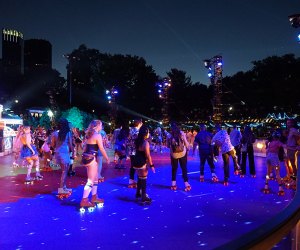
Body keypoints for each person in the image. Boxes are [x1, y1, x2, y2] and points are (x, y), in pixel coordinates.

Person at [80, 120, 110, 208]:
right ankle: (84, 200)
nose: (101, 127)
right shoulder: (97, 135)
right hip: (91, 159)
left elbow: (84, 147)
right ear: (97, 126)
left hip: (86, 157)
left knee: (95, 178)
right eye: (101, 125)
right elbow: (101, 148)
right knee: (90, 181)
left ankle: (94, 197)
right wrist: (107, 158)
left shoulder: (88, 134)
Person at [131, 125, 155, 203]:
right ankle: (143, 197)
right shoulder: (145, 143)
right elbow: (148, 155)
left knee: (139, 177)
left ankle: (138, 193)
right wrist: (152, 165)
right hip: (142, 162)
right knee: (143, 178)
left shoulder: (137, 141)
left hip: (135, 161)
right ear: (146, 133)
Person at [51, 118, 74, 195]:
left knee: (64, 171)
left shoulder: (54, 133)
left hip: (58, 153)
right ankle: (61, 189)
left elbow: (52, 145)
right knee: (65, 171)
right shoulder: (68, 133)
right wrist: (73, 152)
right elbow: (71, 144)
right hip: (64, 153)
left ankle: (64, 187)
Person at [168, 122, 191, 191]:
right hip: (182, 154)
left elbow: (167, 145)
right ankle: (186, 184)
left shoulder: (169, 135)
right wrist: (187, 148)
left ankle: (173, 184)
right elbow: (187, 144)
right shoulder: (182, 133)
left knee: (174, 168)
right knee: (184, 168)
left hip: (174, 155)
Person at [127, 119, 143, 188]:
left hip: (131, 151)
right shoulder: (138, 131)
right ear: (139, 124)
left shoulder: (130, 130)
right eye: (141, 123)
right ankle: (139, 182)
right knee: (139, 166)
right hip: (136, 151)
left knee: (132, 166)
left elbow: (127, 141)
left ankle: (131, 181)